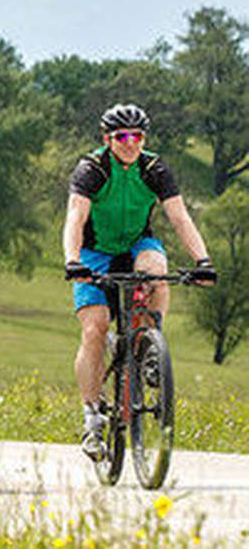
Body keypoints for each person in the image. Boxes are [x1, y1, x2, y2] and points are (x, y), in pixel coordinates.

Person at [63, 103, 216, 458]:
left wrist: (202, 260)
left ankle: (150, 345)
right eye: (122, 137)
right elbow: (75, 215)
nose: (131, 142)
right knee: (95, 329)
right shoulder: (92, 168)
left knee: (157, 271)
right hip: (94, 251)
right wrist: (73, 260)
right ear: (108, 139)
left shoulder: (154, 168)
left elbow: (178, 217)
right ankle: (91, 419)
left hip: (136, 245)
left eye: (138, 136)